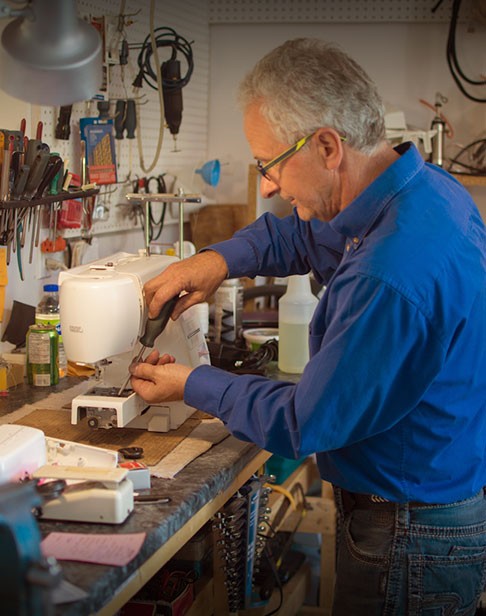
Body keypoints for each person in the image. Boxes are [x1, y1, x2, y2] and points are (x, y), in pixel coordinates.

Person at [130, 39, 486, 614]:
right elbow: (296, 235)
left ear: (327, 146)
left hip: (409, 537)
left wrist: (191, 384)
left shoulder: (387, 272)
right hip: (425, 510)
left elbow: (306, 421)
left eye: (269, 165)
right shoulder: (420, 192)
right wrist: (216, 260)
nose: (266, 186)